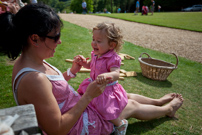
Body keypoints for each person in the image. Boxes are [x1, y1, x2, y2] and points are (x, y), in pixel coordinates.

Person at [0, 3, 184, 135]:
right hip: (79, 125)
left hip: (77, 109)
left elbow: (50, 92)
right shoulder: (33, 79)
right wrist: (88, 96)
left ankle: (159, 102)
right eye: (55, 37)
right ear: (34, 39)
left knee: (125, 96)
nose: (60, 41)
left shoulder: (27, 62)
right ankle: (168, 109)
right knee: (130, 105)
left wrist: (71, 72)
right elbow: (57, 130)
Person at [74, 22, 128, 134]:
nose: (94, 43)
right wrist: (83, 63)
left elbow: (116, 73)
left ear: (111, 45)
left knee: (105, 110)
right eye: (93, 39)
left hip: (105, 90)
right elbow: (90, 65)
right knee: (85, 100)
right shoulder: (95, 54)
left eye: (98, 41)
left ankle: (120, 124)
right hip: (93, 84)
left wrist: (107, 75)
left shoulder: (113, 58)